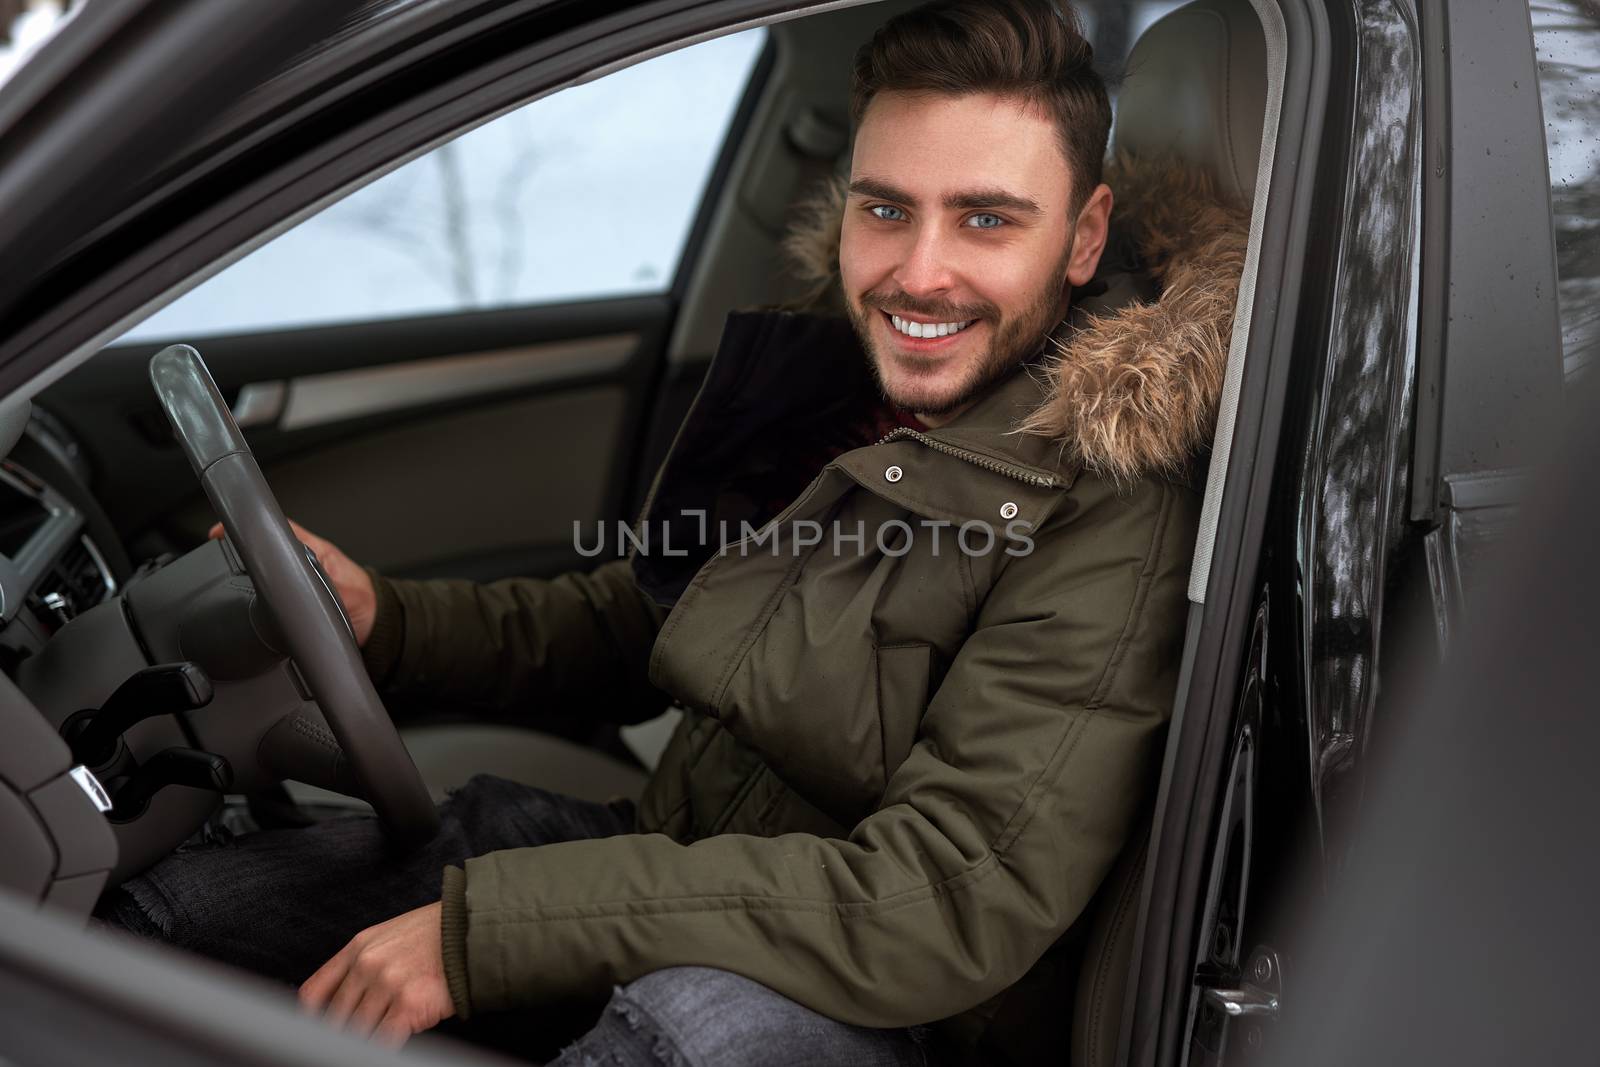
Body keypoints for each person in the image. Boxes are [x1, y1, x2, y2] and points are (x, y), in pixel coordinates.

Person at [103, 1, 1249, 1063]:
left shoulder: (1110, 500)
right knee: (169, 917)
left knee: (687, 1026)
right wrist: (384, 621)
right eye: (885, 206)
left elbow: (942, 896)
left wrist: (486, 934)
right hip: (685, 855)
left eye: (986, 219)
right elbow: (649, 612)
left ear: (1085, 236)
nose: (918, 270)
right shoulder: (844, 386)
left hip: (893, 1009)